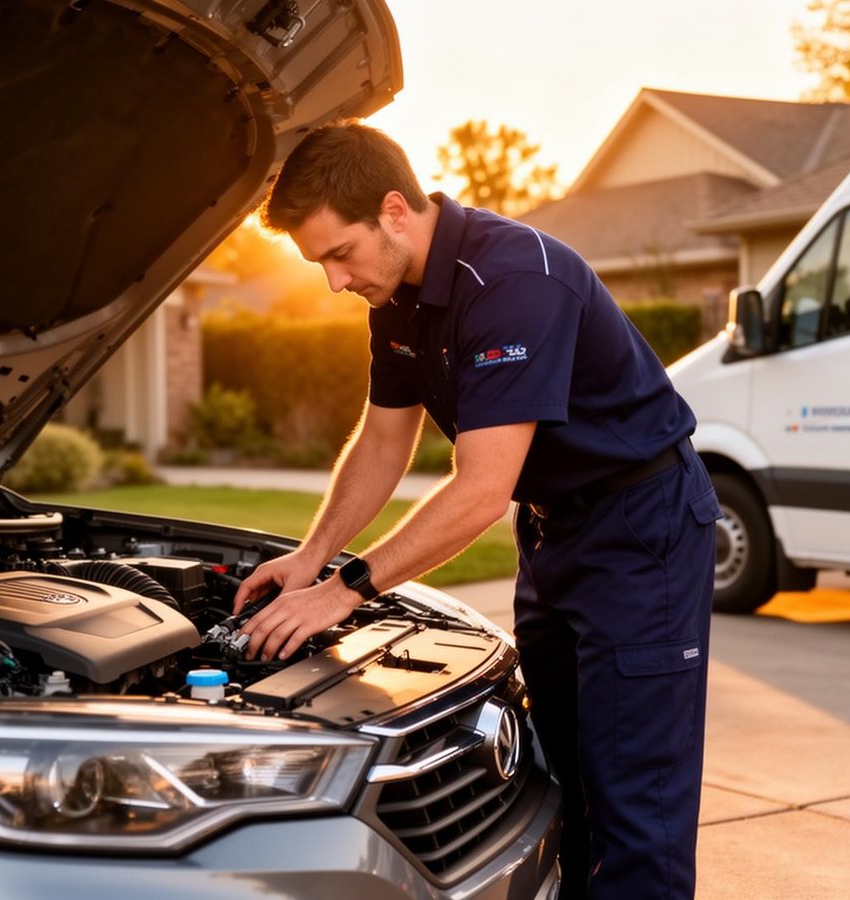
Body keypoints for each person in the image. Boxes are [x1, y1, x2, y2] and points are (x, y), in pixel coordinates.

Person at [233, 121, 719, 899]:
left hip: (641, 531)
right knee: (564, 778)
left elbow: (481, 489)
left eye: (337, 254)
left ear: (395, 210)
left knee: (637, 803)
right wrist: (311, 554)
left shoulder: (515, 282)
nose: (333, 281)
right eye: (319, 263)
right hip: (554, 533)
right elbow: (381, 446)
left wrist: (345, 589)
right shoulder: (396, 298)